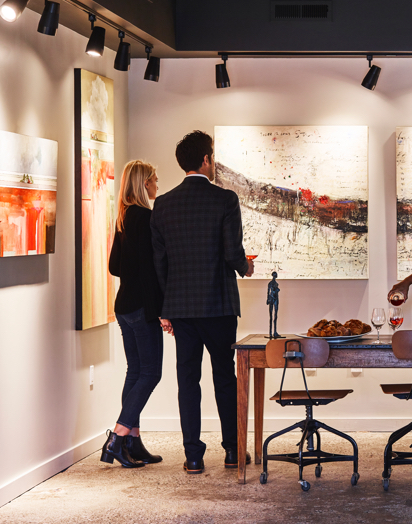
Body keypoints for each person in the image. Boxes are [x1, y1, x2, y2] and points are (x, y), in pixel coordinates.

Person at [150, 131, 254, 474]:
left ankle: (193, 456)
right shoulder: (225, 200)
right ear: (206, 160)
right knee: (225, 377)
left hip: (181, 308)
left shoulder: (163, 204)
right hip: (219, 305)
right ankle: (232, 451)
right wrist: (246, 267)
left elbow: (159, 263)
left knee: (187, 381)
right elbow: (232, 253)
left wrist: (166, 308)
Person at [101, 160, 173, 468]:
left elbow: (114, 267)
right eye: (155, 180)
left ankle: (133, 441)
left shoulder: (124, 216)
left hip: (124, 307)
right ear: (144, 184)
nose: (158, 184)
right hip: (143, 307)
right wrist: (162, 312)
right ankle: (117, 438)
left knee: (135, 372)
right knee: (151, 373)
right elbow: (152, 272)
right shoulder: (146, 217)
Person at [267, 271, 281, 339]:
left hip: (276, 299)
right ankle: (270, 332)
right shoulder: (270, 283)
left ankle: (274, 332)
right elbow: (268, 291)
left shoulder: (276, 283)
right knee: (271, 316)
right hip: (272, 299)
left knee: (275, 316)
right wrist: (268, 299)